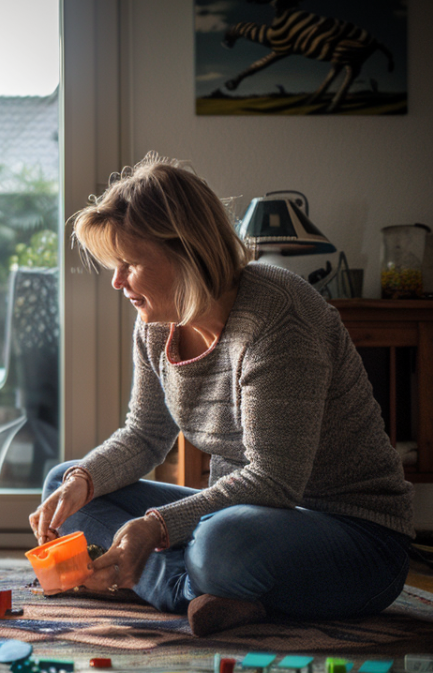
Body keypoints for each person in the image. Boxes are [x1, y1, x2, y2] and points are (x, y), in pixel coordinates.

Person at [29, 154, 413, 637]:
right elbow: (145, 435)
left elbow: (276, 480)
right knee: (65, 486)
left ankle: (162, 581)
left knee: (220, 545)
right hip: (246, 515)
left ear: (186, 251)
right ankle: (209, 592)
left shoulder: (278, 317)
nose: (117, 281)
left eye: (130, 263)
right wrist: (84, 481)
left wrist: (156, 527)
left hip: (357, 537)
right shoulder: (156, 324)